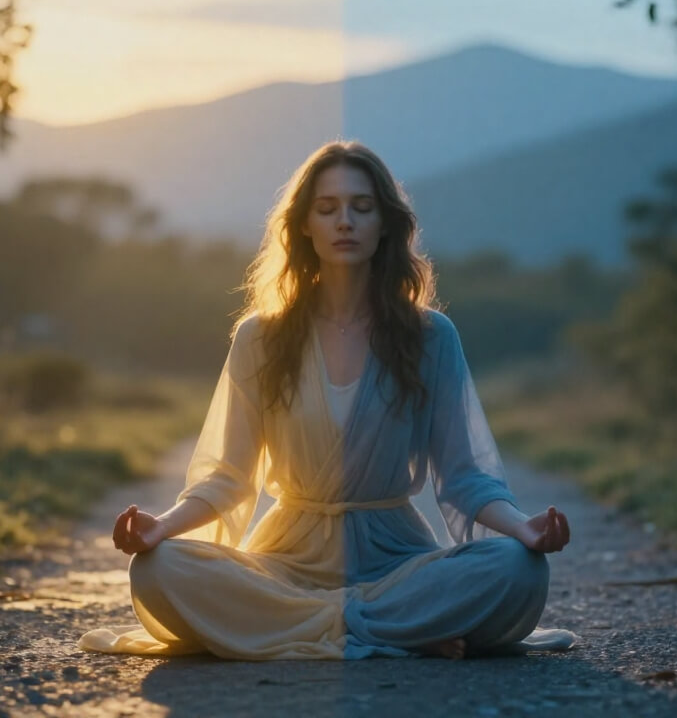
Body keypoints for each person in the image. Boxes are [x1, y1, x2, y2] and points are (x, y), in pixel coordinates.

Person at [78, 141, 576, 660]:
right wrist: (161, 527)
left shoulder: (430, 336)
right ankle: (394, 627)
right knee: (156, 568)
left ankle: (320, 624)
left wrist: (523, 527)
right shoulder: (260, 337)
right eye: (327, 208)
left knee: (518, 567)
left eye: (362, 207)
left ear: (385, 224)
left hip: (397, 562)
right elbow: (227, 477)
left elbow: (465, 478)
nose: (345, 221)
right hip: (285, 565)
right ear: (304, 226)